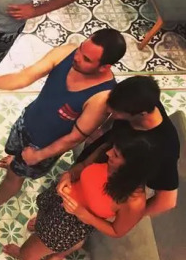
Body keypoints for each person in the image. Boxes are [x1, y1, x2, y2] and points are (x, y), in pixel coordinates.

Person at [0, 29, 125, 215]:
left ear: (104, 67)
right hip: (27, 121)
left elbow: (74, 138)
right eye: (81, 49)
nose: (77, 57)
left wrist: (39, 156)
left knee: (14, 177)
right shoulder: (67, 52)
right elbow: (25, 76)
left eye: (87, 59)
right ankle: (14, 159)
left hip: (44, 146)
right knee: (14, 155)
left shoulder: (101, 98)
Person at [0, 133, 153, 260]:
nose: (109, 153)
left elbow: (117, 231)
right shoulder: (105, 152)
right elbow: (82, 166)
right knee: (37, 232)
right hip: (58, 199)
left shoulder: (133, 201)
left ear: (131, 167)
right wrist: (68, 176)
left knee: (31, 252)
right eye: (113, 148)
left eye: (116, 155)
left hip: (70, 225)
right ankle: (28, 250)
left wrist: (84, 215)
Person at [75, 76, 180, 216]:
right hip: (96, 160)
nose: (110, 111)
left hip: (109, 187)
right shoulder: (139, 99)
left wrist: (123, 219)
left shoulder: (164, 147)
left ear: (141, 114)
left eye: (116, 112)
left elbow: (167, 201)